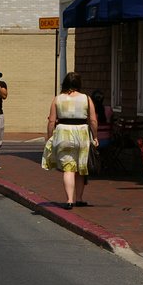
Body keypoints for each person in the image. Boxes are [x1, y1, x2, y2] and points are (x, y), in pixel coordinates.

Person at [42, 72, 99, 210]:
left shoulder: (57, 99)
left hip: (63, 133)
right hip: (82, 133)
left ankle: (69, 200)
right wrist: (95, 136)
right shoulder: (86, 99)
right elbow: (92, 120)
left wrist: (49, 136)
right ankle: (79, 199)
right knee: (80, 168)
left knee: (69, 168)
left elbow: (51, 120)